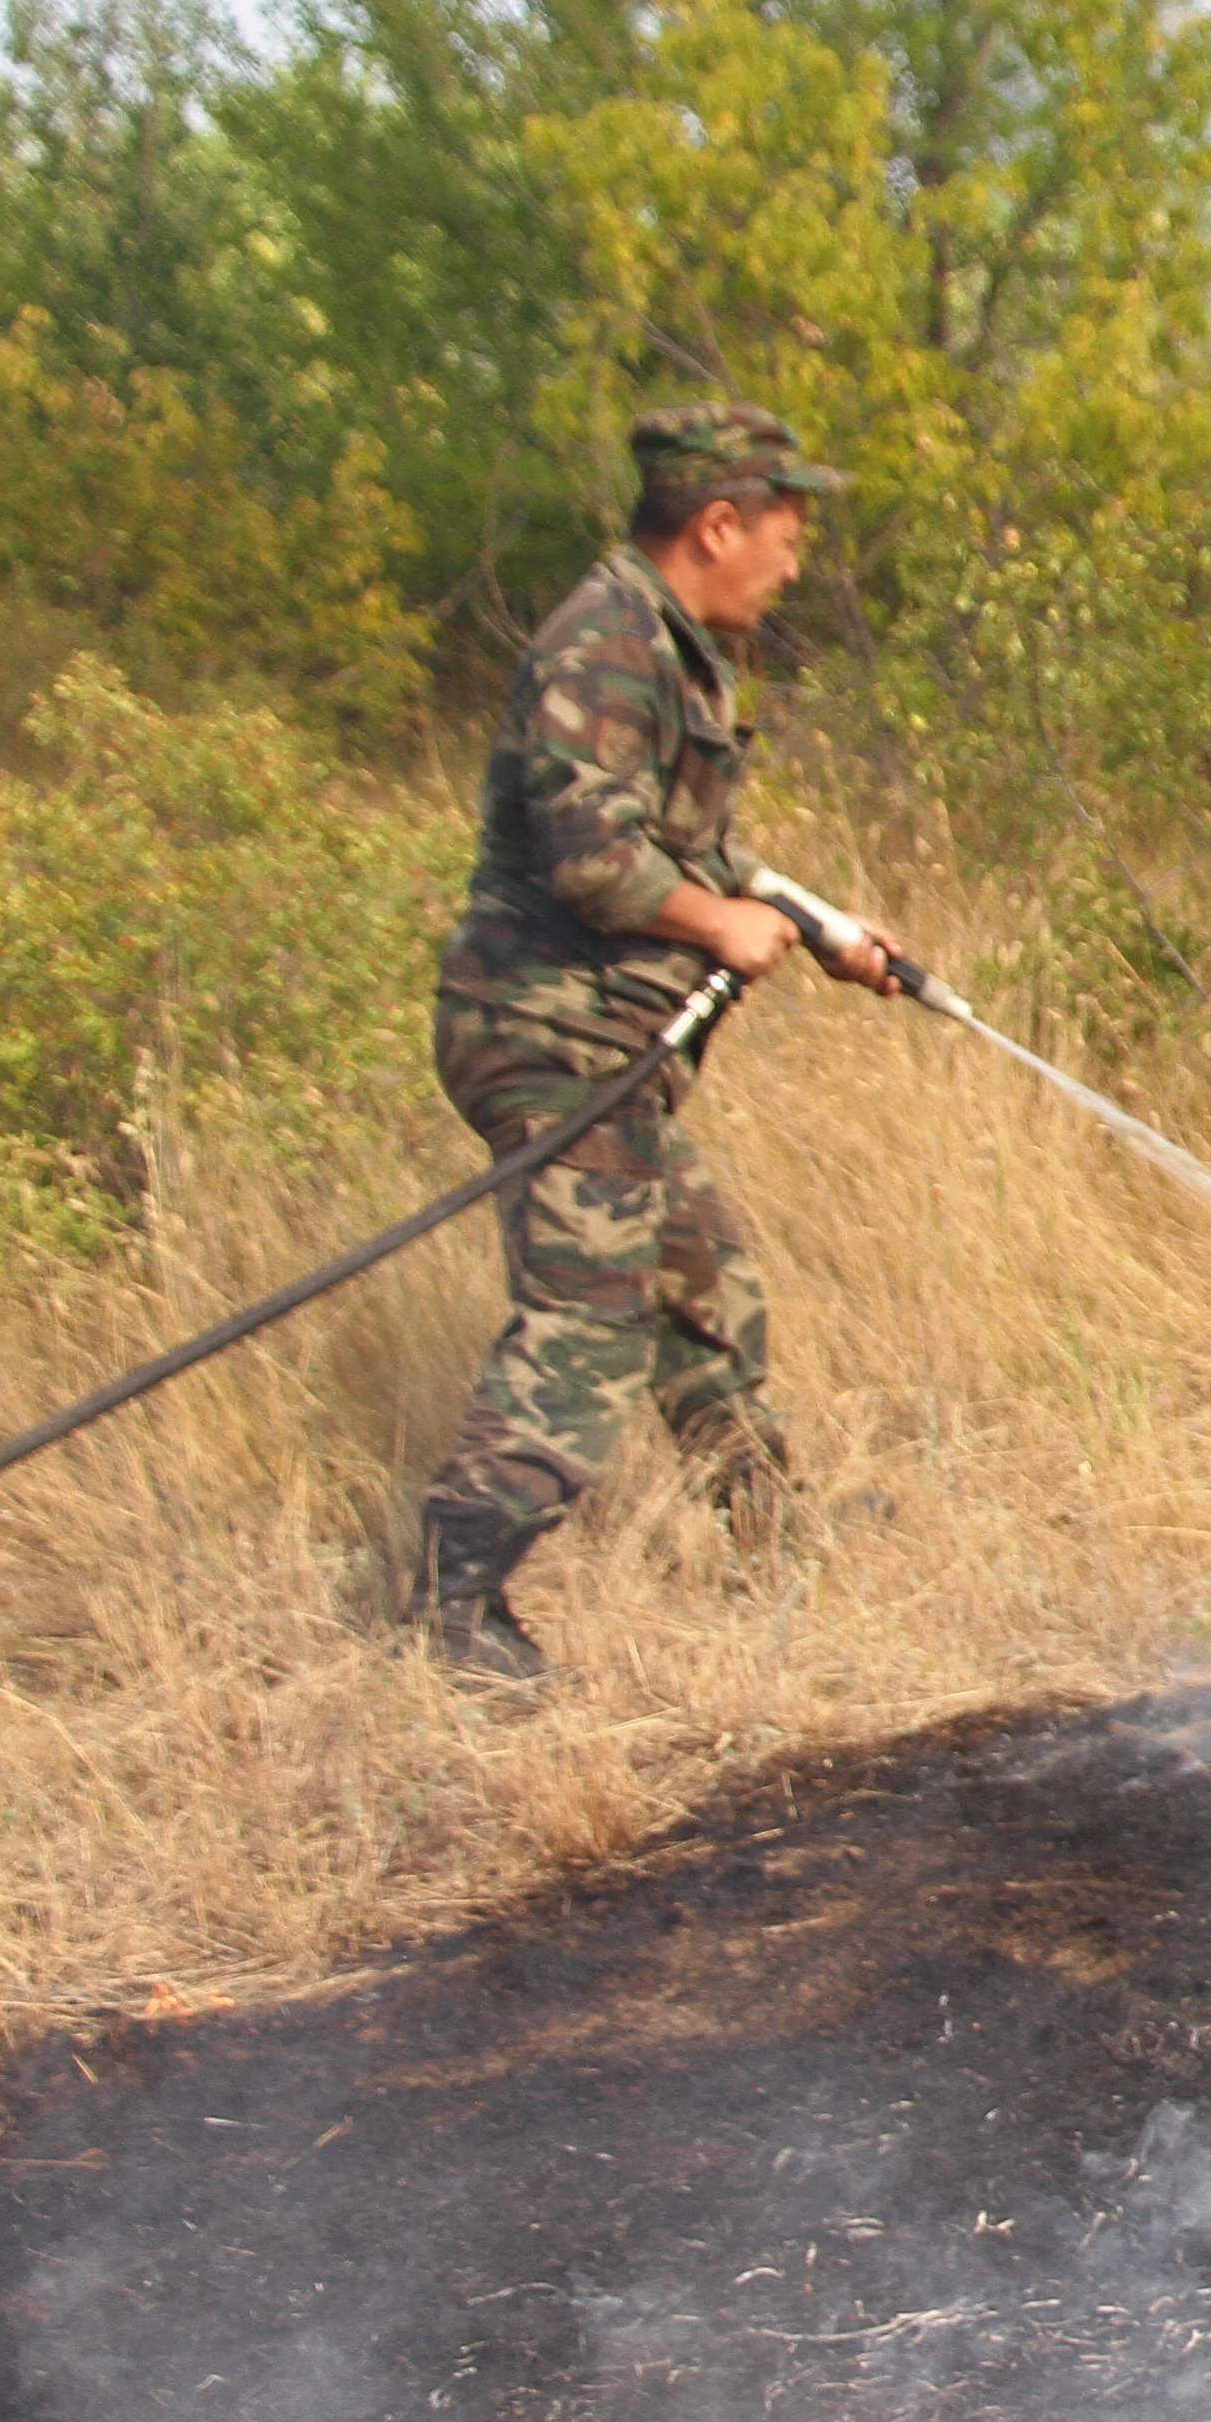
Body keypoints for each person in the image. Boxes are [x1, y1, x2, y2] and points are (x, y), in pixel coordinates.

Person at [410, 401, 909, 1682]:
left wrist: (823, 929)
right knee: (587, 1322)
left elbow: (696, 846)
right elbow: (589, 857)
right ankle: (454, 1605)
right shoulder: (605, 643)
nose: (793, 567)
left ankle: (770, 1534)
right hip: (543, 1034)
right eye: (786, 538)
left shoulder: (674, 648)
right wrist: (717, 925)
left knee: (704, 1284)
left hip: (601, 1043)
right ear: (718, 525)